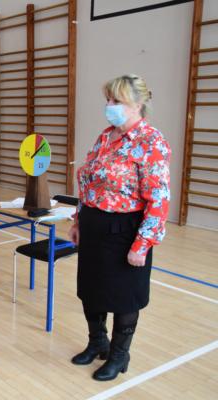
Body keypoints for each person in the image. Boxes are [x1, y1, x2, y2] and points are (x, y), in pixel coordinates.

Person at [68, 74, 170, 381]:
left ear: (137, 104)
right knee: (91, 290)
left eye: (116, 100)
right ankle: (97, 342)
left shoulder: (150, 141)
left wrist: (143, 244)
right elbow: (89, 182)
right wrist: (78, 220)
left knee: (124, 296)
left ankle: (118, 355)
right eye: (108, 100)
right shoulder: (106, 137)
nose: (109, 105)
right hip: (93, 225)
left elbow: (159, 199)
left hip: (125, 230)